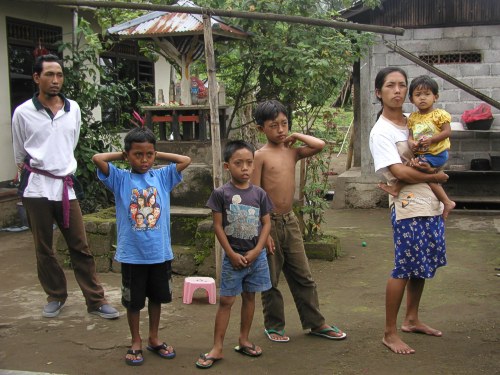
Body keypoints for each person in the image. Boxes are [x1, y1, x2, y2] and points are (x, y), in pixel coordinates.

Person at [11, 54, 119, 320]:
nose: (56, 80)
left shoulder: (74, 109)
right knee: (43, 247)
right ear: (37, 78)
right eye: (49, 74)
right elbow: (19, 153)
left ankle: (95, 300)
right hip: (36, 187)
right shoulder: (23, 112)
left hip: (64, 186)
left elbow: (69, 144)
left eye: (59, 75)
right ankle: (55, 295)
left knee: (80, 245)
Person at [92, 126, 191, 366]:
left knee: (157, 298)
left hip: (159, 253)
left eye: (149, 155)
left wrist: (157, 153)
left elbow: (185, 160)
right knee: (134, 301)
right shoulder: (121, 178)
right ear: (128, 156)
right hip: (133, 255)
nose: (144, 159)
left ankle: (154, 338)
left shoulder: (162, 177)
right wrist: (124, 155)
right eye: (138, 154)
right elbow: (97, 158)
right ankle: (135, 340)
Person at [369, 67, 450, 355]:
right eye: (390, 86)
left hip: (429, 202)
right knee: (403, 266)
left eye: (402, 85)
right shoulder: (381, 132)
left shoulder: (414, 121)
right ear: (379, 92)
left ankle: (411, 318)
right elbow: (398, 170)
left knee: (422, 263)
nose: (398, 91)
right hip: (407, 206)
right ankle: (390, 333)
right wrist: (435, 177)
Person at [251, 100, 347, 343]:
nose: (281, 130)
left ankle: (316, 323)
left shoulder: (291, 151)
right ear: (261, 129)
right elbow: (254, 195)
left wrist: (296, 134)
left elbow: (320, 145)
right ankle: (274, 326)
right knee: (270, 280)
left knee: (303, 275)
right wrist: (264, 231)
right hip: (268, 223)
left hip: (290, 221)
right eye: (274, 126)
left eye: (284, 124)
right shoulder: (259, 156)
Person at [195, 140, 273, 369]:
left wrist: (258, 250)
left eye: (249, 163)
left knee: (250, 297)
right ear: (227, 166)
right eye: (239, 163)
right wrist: (229, 254)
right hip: (233, 257)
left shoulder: (259, 194)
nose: (245, 168)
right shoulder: (221, 194)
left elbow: (266, 223)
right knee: (226, 300)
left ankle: (244, 339)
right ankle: (217, 347)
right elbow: (218, 226)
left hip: (255, 258)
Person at [378, 75, 455, 219]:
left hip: (437, 153)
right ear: (412, 99)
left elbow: (447, 132)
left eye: (427, 94)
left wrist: (431, 140)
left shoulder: (439, 115)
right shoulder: (413, 118)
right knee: (421, 173)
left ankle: (396, 188)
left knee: (412, 169)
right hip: (423, 154)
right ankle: (446, 200)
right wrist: (411, 142)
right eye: (418, 95)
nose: (423, 98)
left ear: (435, 96)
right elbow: (411, 136)